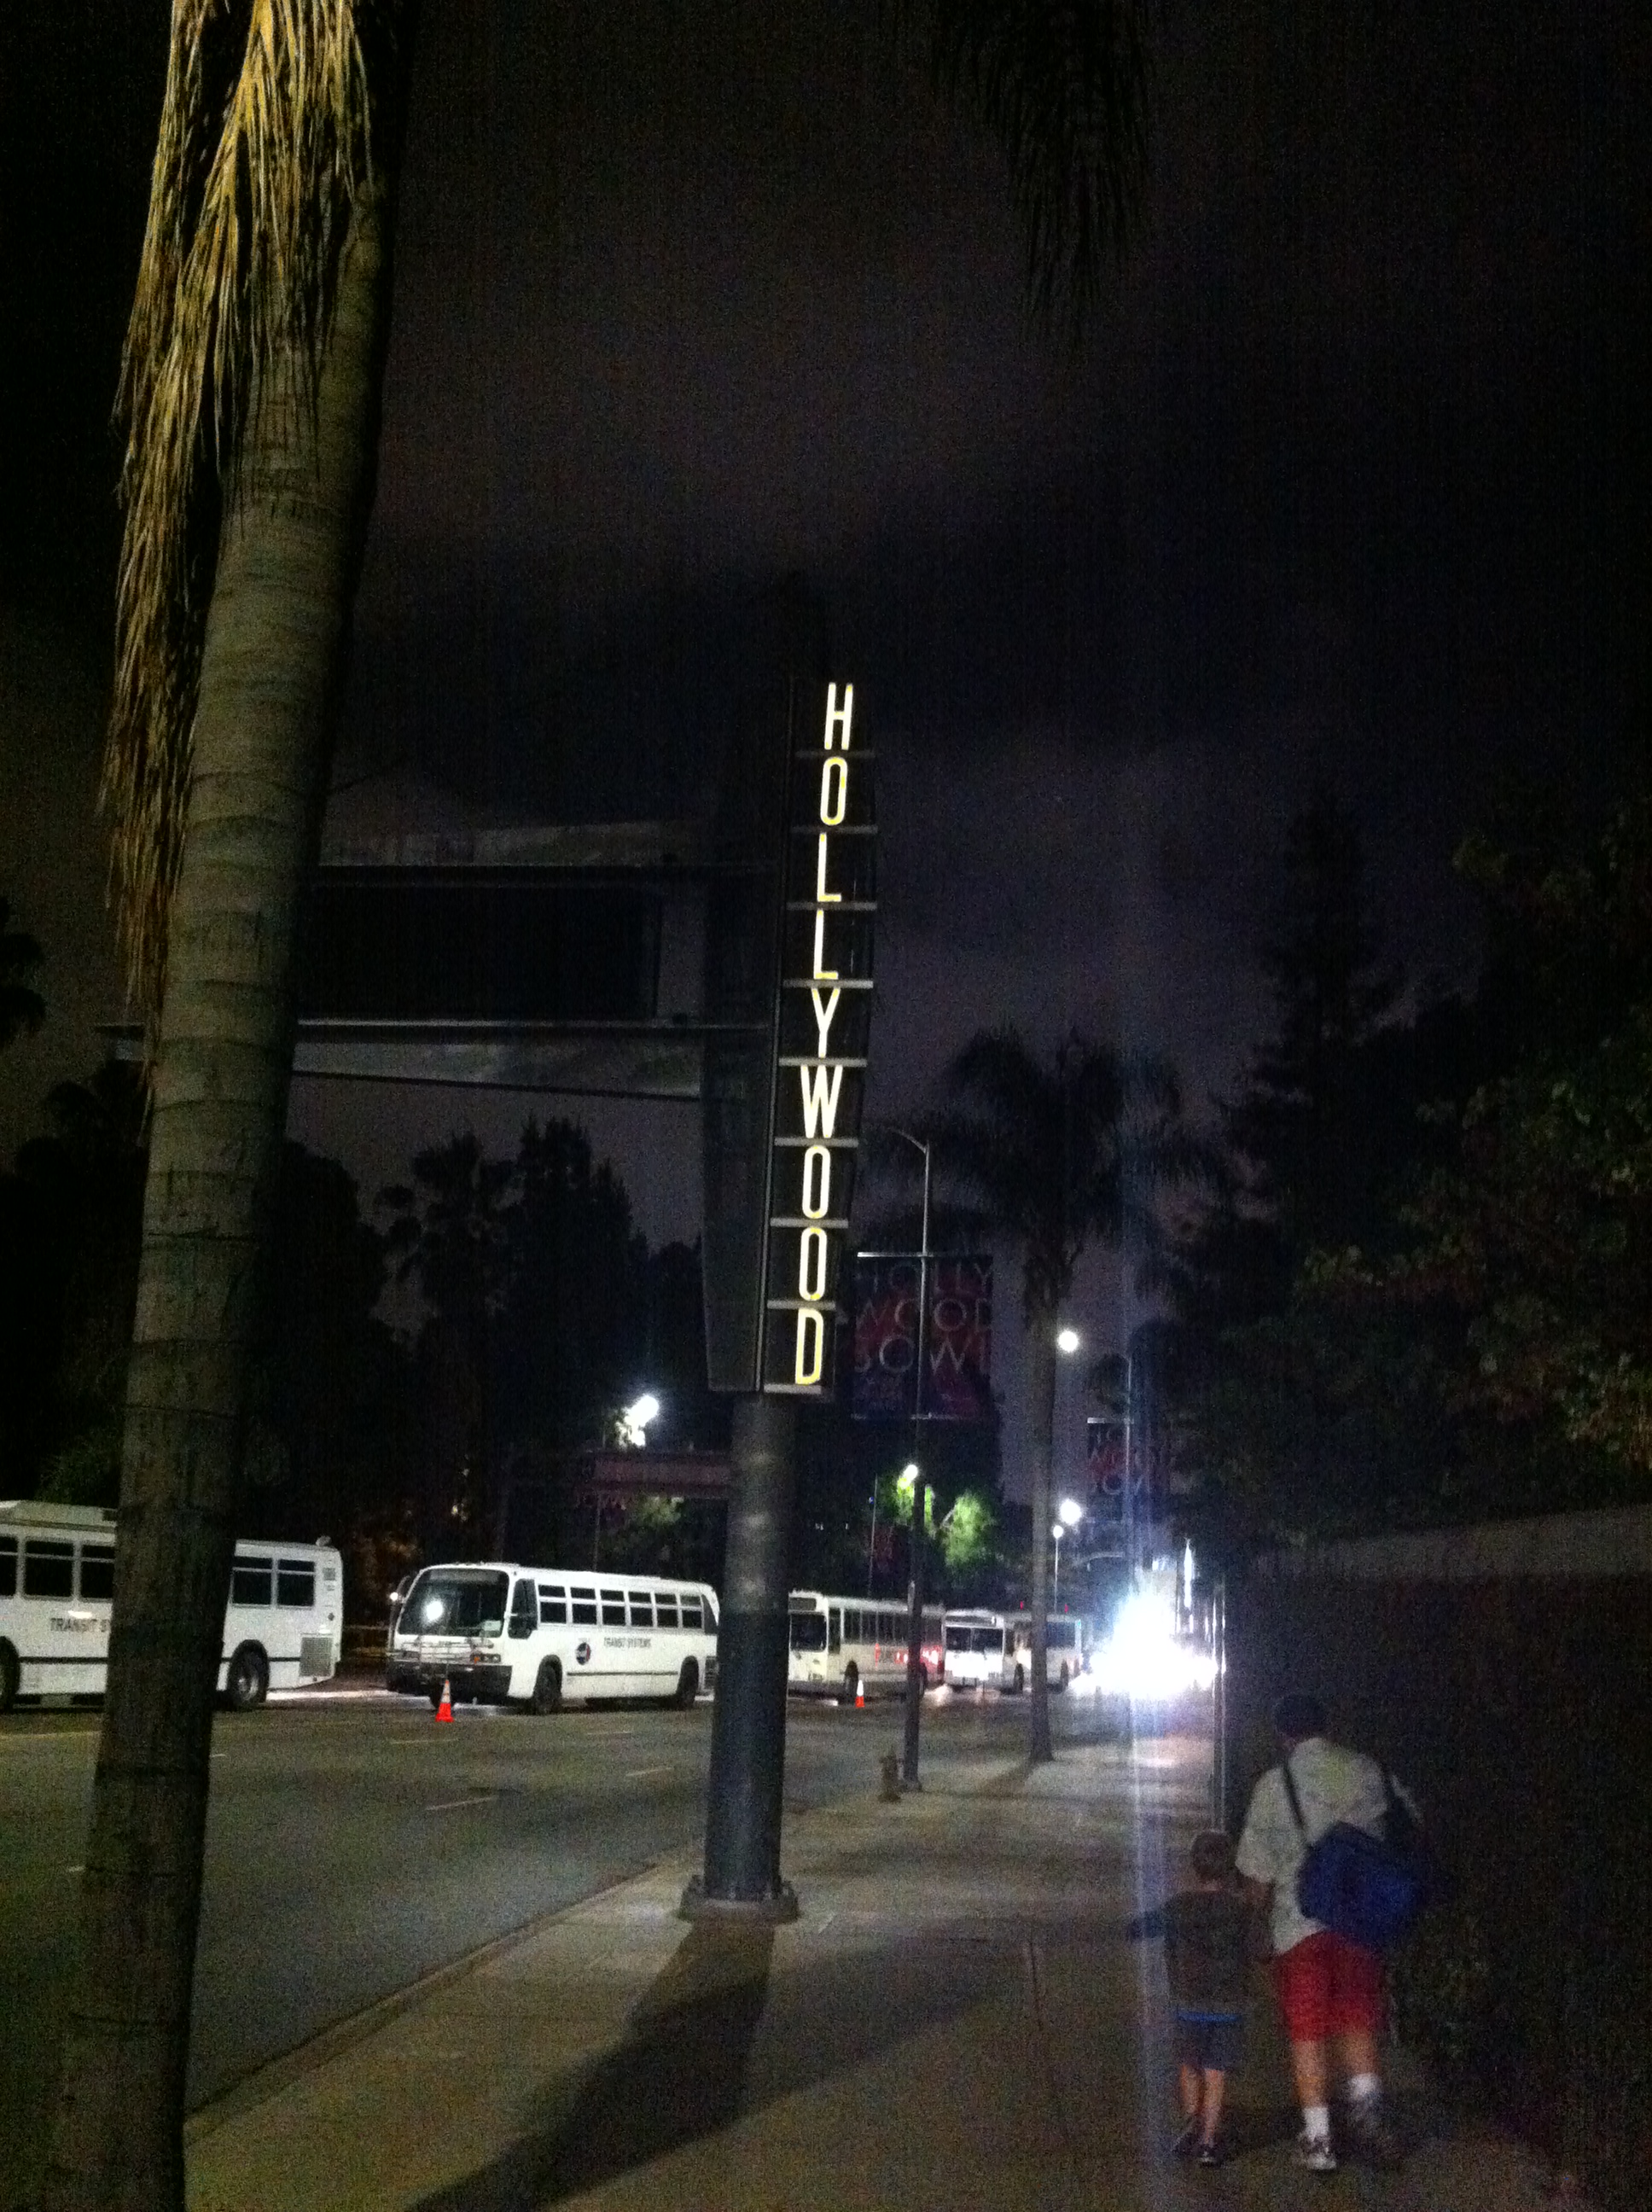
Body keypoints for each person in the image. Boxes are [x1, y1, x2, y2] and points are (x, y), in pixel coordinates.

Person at [1236, 1691, 1408, 2173]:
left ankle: (1318, 2139)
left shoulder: (1274, 1786)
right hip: (1360, 1920)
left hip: (1299, 1925)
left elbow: (1256, 1872)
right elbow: (1404, 1821)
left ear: (1282, 1734)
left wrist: (1255, 1920)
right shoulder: (1367, 1770)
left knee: (1306, 2029)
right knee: (1357, 2016)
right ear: (1326, 1724)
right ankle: (1368, 2118)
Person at [1160, 1828, 1252, 2168]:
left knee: (1189, 2065)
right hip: (1228, 2005)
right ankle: (1209, 2142)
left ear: (1194, 1865)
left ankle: (1191, 2125)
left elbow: (1170, 1952)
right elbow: (1259, 1948)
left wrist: (1177, 1987)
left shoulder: (1177, 1907)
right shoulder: (1241, 1909)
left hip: (1189, 2003)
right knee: (1216, 2072)